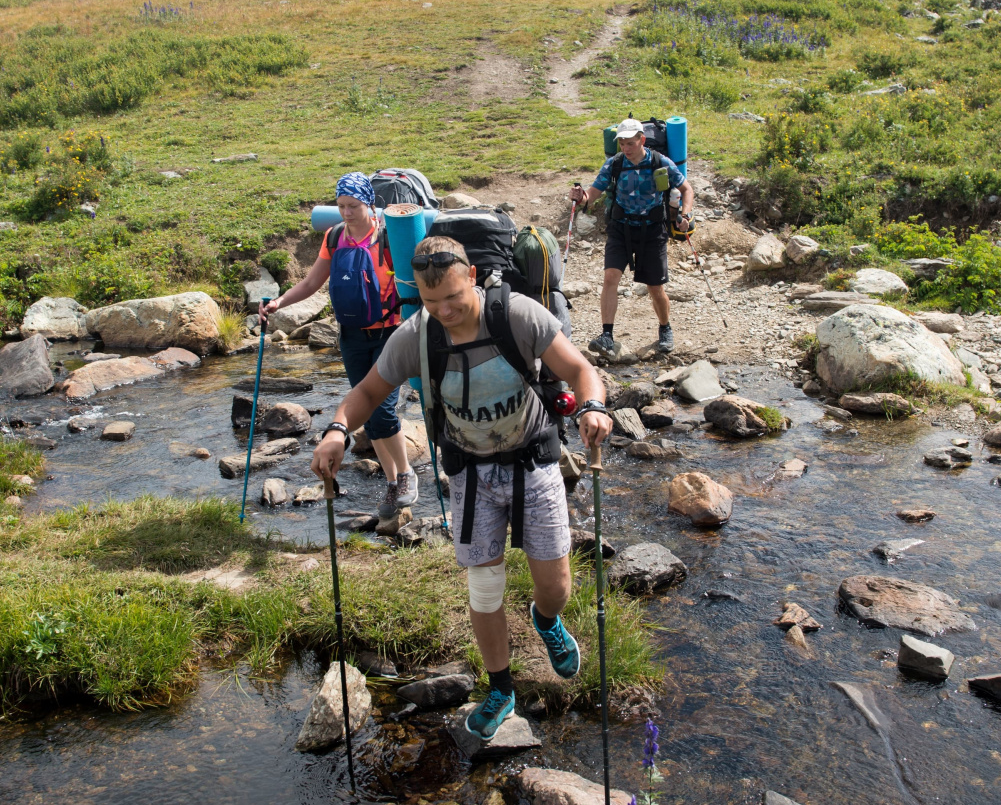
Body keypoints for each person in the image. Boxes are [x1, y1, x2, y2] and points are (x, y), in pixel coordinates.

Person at [311, 235, 614, 741]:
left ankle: (546, 621)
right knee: (485, 588)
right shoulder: (416, 336)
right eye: (431, 302)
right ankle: (501, 688)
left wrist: (594, 407)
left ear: (471, 276)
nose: (444, 310)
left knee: (555, 587)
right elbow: (366, 392)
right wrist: (338, 431)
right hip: (470, 473)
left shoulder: (516, 315)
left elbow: (582, 370)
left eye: (453, 297)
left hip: (531, 461)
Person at [261, 172, 415, 522]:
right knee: (367, 412)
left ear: (368, 203)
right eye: (341, 206)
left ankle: (406, 474)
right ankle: (393, 482)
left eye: (353, 206)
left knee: (384, 408)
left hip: (390, 333)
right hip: (351, 335)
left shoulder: (388, 238)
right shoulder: (334, 237)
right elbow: (313, 281)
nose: (346, 213)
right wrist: (279, 303)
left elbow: (413, 283)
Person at [570, 117, 694, 356]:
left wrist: (685, 215)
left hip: (652, 230)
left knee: (655, 287)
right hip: (621, 228)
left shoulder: (660, 162)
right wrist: (581, 197)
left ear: (642, 140)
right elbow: (594, 192)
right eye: (622, 143)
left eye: (630, 143)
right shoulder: (614, 164)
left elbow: (686, 188)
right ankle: (607, 334)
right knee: (610, 278)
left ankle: (665, 329)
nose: (626, 148)